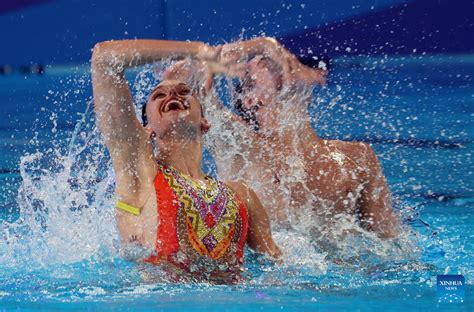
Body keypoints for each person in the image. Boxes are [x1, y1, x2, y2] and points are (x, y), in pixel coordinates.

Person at [91, 39, 281, 283]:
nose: (171, 94)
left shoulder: (242, 195)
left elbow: (276, 270)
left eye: (183, 92)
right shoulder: (140, 174)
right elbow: (104, 58)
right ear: (146, 128)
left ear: (204, 122)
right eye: (159, 95)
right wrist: (198, 51)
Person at [201, 37, 401, 239]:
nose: (283, 59)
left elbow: (391, 245)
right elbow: (189, 82)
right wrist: (264, 44)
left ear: (317, 77)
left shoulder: (358, 157)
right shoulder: (238, 147)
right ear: (251, 100)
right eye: (263, 62)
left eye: (291, 59)